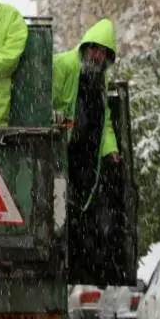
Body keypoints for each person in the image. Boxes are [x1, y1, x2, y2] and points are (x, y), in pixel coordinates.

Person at [52, 18, 120, 214]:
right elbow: (41, 101)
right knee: (58, 210)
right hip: (59, 152)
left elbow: (103, 118)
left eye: (102, 52)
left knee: (77, 209)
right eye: (94, 49)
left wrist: (110, 149)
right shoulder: (63, 65)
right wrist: (56, 118)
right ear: (85, 47)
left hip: (84, 158)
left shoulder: (100, 78)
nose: (97, 55)